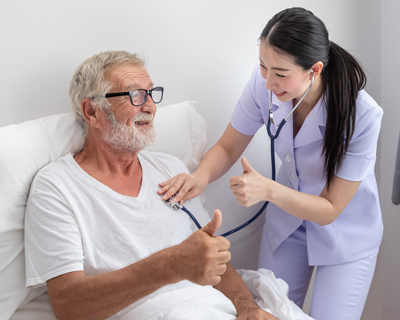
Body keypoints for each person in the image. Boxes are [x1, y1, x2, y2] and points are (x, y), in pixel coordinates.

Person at [158, 7, 383, 320]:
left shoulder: (363, 115)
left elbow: (330, 209)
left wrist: (267, 190)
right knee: (267, 312)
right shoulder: (265, 81)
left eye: (279, 74)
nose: (267, 82)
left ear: (314, 70)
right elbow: (227, 146)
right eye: (263, 66)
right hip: (288, 225)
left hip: (345, 231)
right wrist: (199, 177)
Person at [24, 51, 279, 320]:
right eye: (135, 95)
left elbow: (212, 259)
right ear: (92, 112)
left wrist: (248, 308)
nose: (150, 107)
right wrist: (170, 265)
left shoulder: (171, 169)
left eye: (151, 93)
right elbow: (68, 305)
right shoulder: (56, 187)